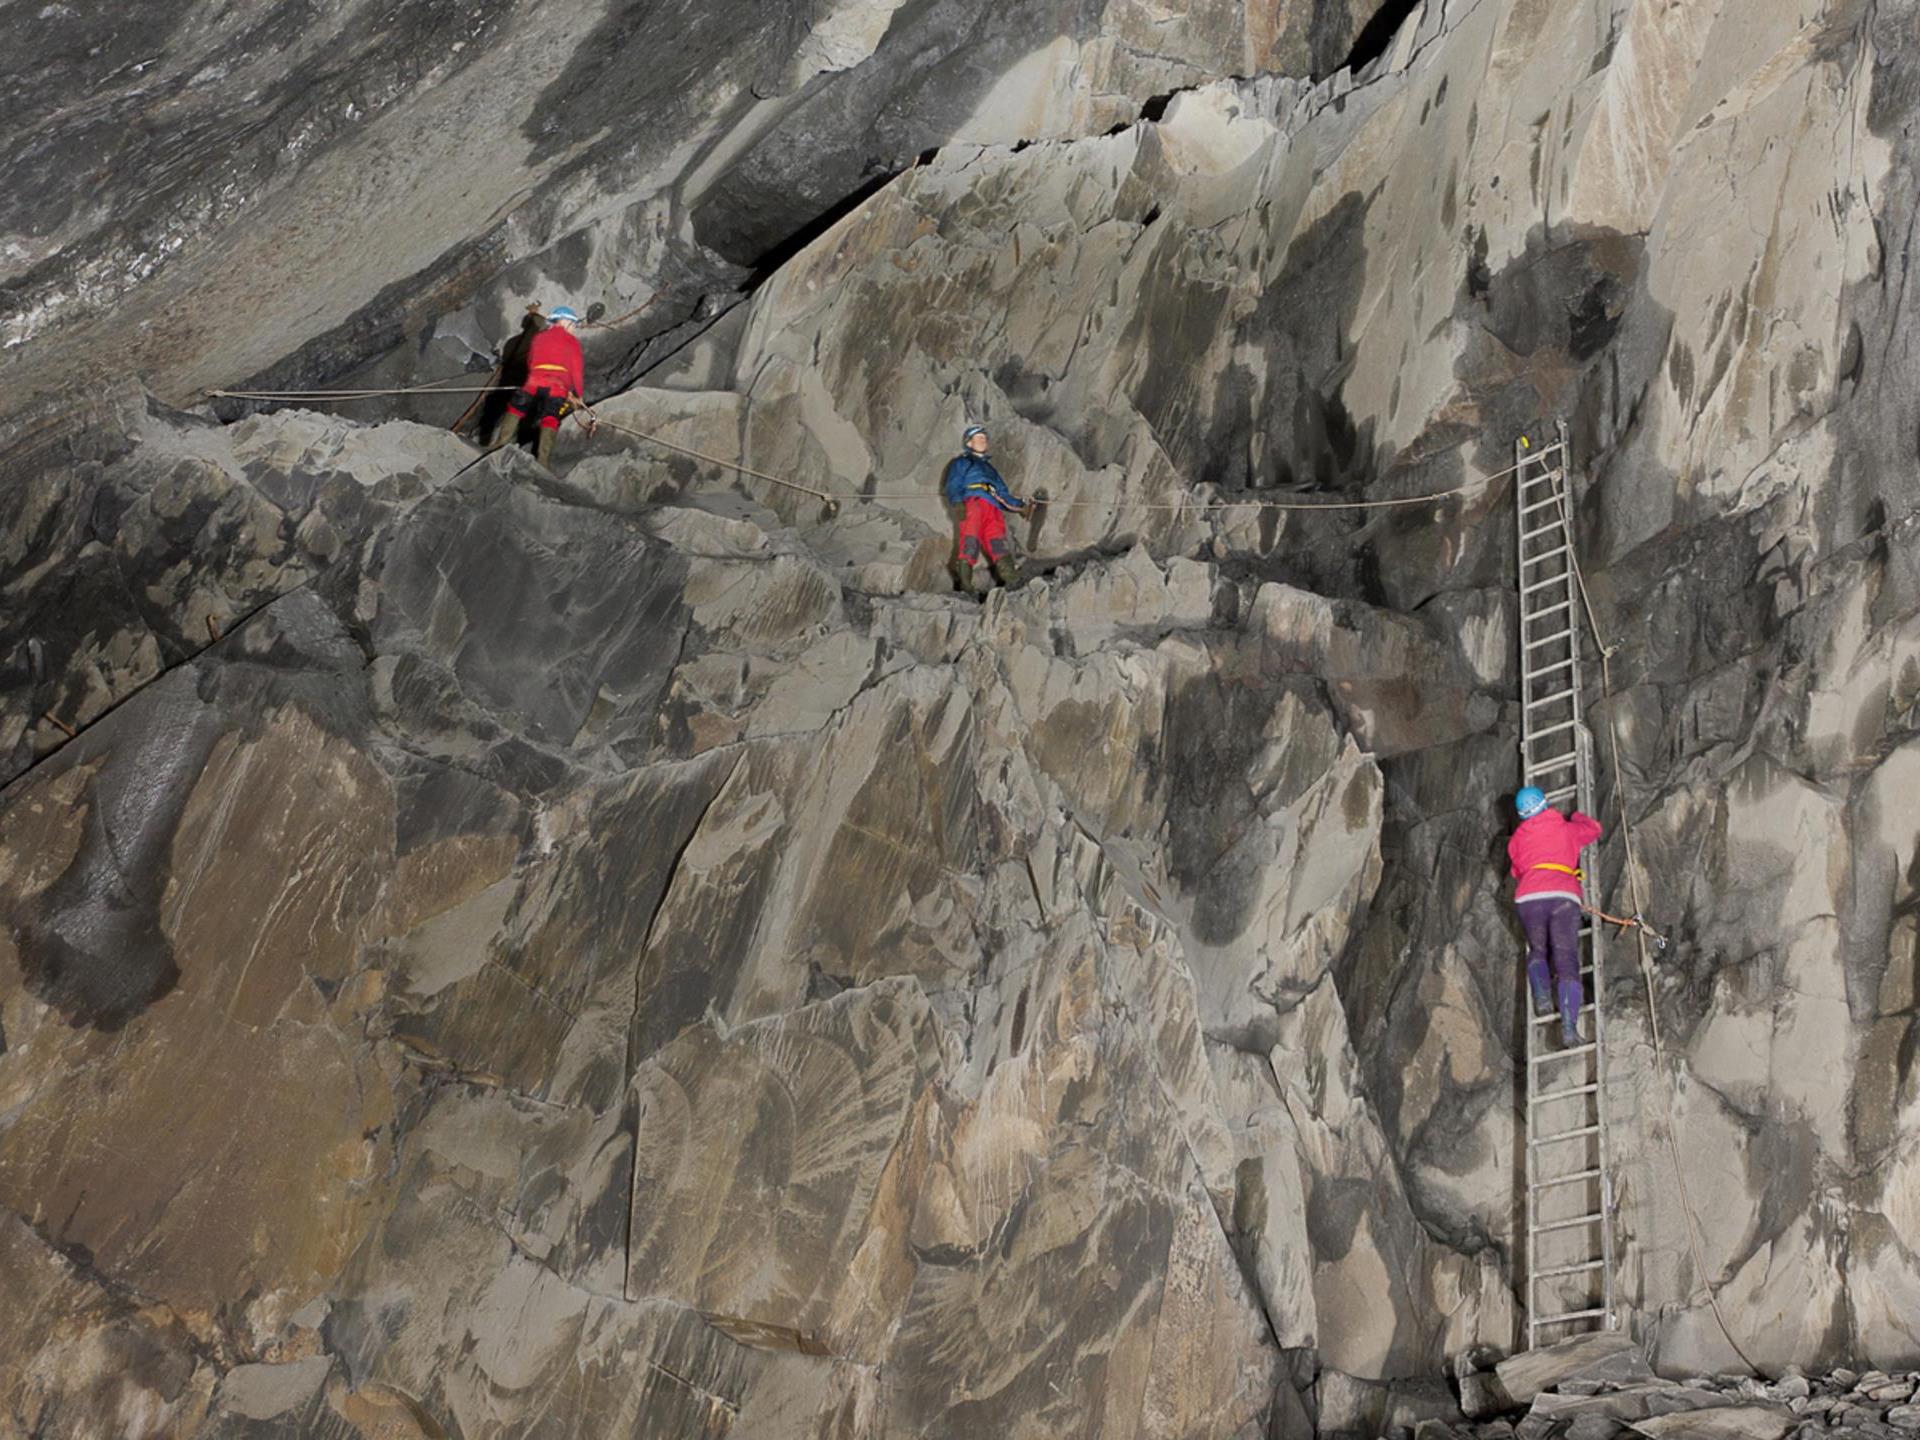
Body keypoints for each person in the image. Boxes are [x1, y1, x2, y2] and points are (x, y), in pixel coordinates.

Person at [1508, 786, 1603, 1045]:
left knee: (1537, 950)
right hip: (1562, 896)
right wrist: (1577, 817)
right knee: (1566, 960)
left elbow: (1516, 871)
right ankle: (1569, 1028)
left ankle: (1541, 995)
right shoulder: (1564, 828)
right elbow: (1594, 829)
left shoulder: (1516, 840)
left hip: (1529, 898)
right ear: (1545, 804)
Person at [492, 305, 587, 465]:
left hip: (534, 380)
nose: (575, 328)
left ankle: (500, 443)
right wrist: (577, 393)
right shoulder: (572, 342)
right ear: (565, 322)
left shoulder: (539, 337)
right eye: (574, 324)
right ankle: (543, 460)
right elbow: (576, 371)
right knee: (550, 418)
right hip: (557, 386)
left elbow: (530, 361)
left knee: (516, 408)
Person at [942, 425, 1029, 594]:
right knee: (970, 540)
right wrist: (957, 502)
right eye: (978, 437)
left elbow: (1003, 493)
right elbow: (953, 483)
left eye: (984, 438)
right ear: (969, 442)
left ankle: (1011, 579)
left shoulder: (991, 469)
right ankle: (965, 584)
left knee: (998, 542)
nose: (983, 440)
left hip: (992, 507)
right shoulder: (962, 462)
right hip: (973, 502)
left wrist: (1020, 506)